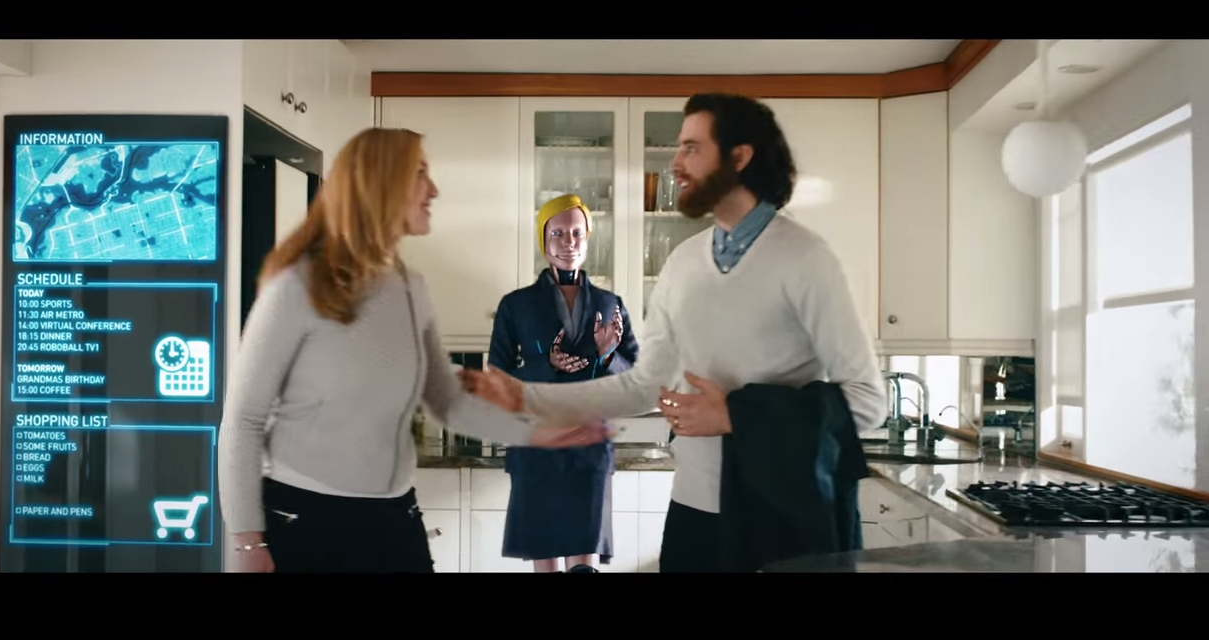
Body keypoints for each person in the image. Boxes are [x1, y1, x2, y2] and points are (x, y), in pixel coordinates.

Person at [462, 93, 887, 572]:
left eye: (691, 148)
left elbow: (868, 403)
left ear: (739, 157)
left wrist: (736, 415)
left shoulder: (806, 258)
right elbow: (643, 385)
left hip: (782, 513)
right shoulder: (683, 262)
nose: (675, 163)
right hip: (693, 506)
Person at [218, 128, 608, 574]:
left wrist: (536, 434)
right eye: (420, 173)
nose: (434, 189)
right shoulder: (296, 287)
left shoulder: (409, 287)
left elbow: (448, 401)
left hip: (395, 518)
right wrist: (247, 541)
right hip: (306, 521)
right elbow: (243, 420)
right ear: (381, 183)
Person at [488, 194, 640, 573]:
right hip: (537, 448)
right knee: (546, 563)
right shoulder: (516, 306)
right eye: (557, 233)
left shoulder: (611, 304)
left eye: (576, 233)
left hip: (590, 449)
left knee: (584, 565)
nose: (568, 242)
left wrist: (608, 355)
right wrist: (545, 365)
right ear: (543, 239)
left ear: (587, 238)